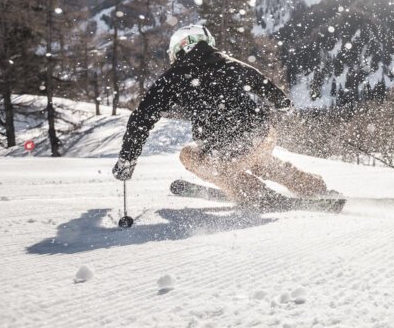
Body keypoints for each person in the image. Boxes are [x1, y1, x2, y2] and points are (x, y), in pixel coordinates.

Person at [112, 24, 328, 207]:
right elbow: (263, 84)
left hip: (225, 150)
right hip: (262, 135)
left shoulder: (173, 78)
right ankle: (309, 185)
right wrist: (285, 105)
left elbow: (141, 119)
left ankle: (252, 193)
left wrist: (127, 159)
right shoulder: (232, 64)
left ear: (179, 49)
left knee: (191, 155)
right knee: (257, 158)